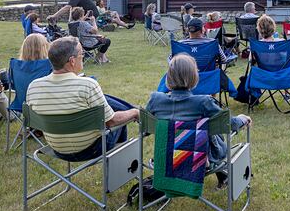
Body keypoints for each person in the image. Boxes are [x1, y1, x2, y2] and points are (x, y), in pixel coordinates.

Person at [146, 54, 251, 188]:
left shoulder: (155, 99)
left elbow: (145, 126)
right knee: (209, 133)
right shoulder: (203, 102)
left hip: (164, 159)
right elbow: (229, 123)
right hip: (198, 161)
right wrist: (242, 119)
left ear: (168, 76)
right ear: (194, 77)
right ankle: (215, 169)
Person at [25, 36, 138, 161]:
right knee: (120, 120)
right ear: (72, 61)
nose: (83, 56)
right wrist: (134, 112)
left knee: (106, 103)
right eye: (81, 53)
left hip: (57, 149)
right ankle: (122, 165)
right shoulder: (88, 85)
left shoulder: (33, 86)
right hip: (91, 149)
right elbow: (111, 122)